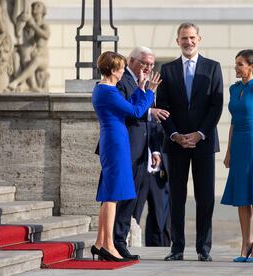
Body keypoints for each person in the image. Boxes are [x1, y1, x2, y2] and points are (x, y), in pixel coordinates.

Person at [157, 22, 223, 262]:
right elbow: (162, 106)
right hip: (175, 144)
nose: (189, 42)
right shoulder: (167, 69)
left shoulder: (213, 68)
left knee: (205, 197)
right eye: (184, 38)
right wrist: (174, 134)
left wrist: (200, 133)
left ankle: (203, 248)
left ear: (199, 39)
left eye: (192, 37)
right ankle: (177, 248)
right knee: (176, 197)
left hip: (203, 143)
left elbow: (217, 105)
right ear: (178, 41)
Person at [91, 51, 160, 262]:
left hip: (115, 139)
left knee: (108, 195)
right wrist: (150, 92)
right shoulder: (107, 91)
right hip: (115, 142)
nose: (123, 71)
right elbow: (136, 111)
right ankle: (109, 245)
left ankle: (100, 242)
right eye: (121, 68)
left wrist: (140, 88)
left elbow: (131, 107)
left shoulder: (104, 89)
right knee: (112, 196)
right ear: (112, 70)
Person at [112, 46, 170, 257]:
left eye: (152, 64)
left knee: (131, 199)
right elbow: (128, 110)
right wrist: (149, 109)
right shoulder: (120, 79)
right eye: (144, 63)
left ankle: (120, 240)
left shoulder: (147, 83)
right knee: (120, 198)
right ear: (131, 61)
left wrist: (155, 150)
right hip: (124, 146)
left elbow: (153, 123)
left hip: (142, 153)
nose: (148, 67)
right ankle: (115, 240)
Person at [221, 49, 253, 263]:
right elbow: (232, 122)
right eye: (236, 63)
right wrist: (228, 150)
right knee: (242, 197)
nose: (236, 67)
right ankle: (245, 244)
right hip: (239, 144)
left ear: (252, 66)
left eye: (240, 64)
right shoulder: (234, 89)